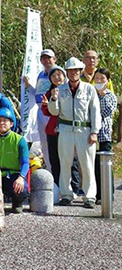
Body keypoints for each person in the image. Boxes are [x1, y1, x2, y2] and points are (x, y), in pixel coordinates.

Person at [48, 57, 101, 208]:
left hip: (85, 129)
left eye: (76, 70)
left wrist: (95, 131)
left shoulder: (89, 89)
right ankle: (66, 194)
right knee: (65, 162)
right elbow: (54, 112)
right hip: (65, 129)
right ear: (67, 72)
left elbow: (95, 111)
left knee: (87, 164)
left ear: (80, 71)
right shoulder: (61, 89)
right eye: (71, 70)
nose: (74, 73)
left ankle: (89, 196)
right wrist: (53, 98)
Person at [23, 49, 57, 175]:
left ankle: (58, 172)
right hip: (40, 111)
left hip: (52, 111)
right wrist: (28, 85)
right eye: (44, 58)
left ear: (55, 59)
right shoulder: (41, 75)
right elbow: (37, 93)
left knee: (55, 143)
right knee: (44, 144)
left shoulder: (58, 73)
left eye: (49, 58)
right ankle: (50, 171)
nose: (46, 60)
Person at [40, 65, 67, 185]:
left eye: (59, 74)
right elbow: (46, 112)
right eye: (53, 76)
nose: (56, 78)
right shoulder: (49, 91)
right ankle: (57, 186)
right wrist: (46, 104)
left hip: (67, 130)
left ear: (64, 75)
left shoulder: (69, 90)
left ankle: (73, 187)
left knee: (69, 160)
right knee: (54, 159)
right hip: (52, 130)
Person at [93, 68, 117, 203]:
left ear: (108, 81)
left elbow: (106, 112)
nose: (99, 81)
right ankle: (98, 195)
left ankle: (109, 193)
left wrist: (101, 95)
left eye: (102, 79)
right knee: (95, 165)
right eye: (97, 78)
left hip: (104, 134)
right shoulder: (91, 94)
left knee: (106, 165)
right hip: (92, 134)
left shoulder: (110, 96)